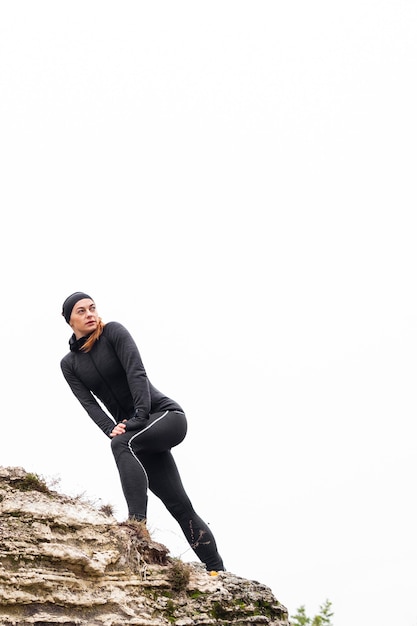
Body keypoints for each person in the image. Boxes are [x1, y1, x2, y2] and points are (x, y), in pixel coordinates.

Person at [60, 291, 224, 572]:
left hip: (165, 416)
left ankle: (136, 527)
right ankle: (217, 570)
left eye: (93, 308)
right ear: (69, 320)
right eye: (81, 311)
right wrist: (112, 429)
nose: (90, 314)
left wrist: (136, 419)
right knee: (179, 505)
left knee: (122, 445)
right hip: (136, 436)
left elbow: (137, 373)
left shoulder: (113, 333)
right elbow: (89, 404)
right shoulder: (70, 364)